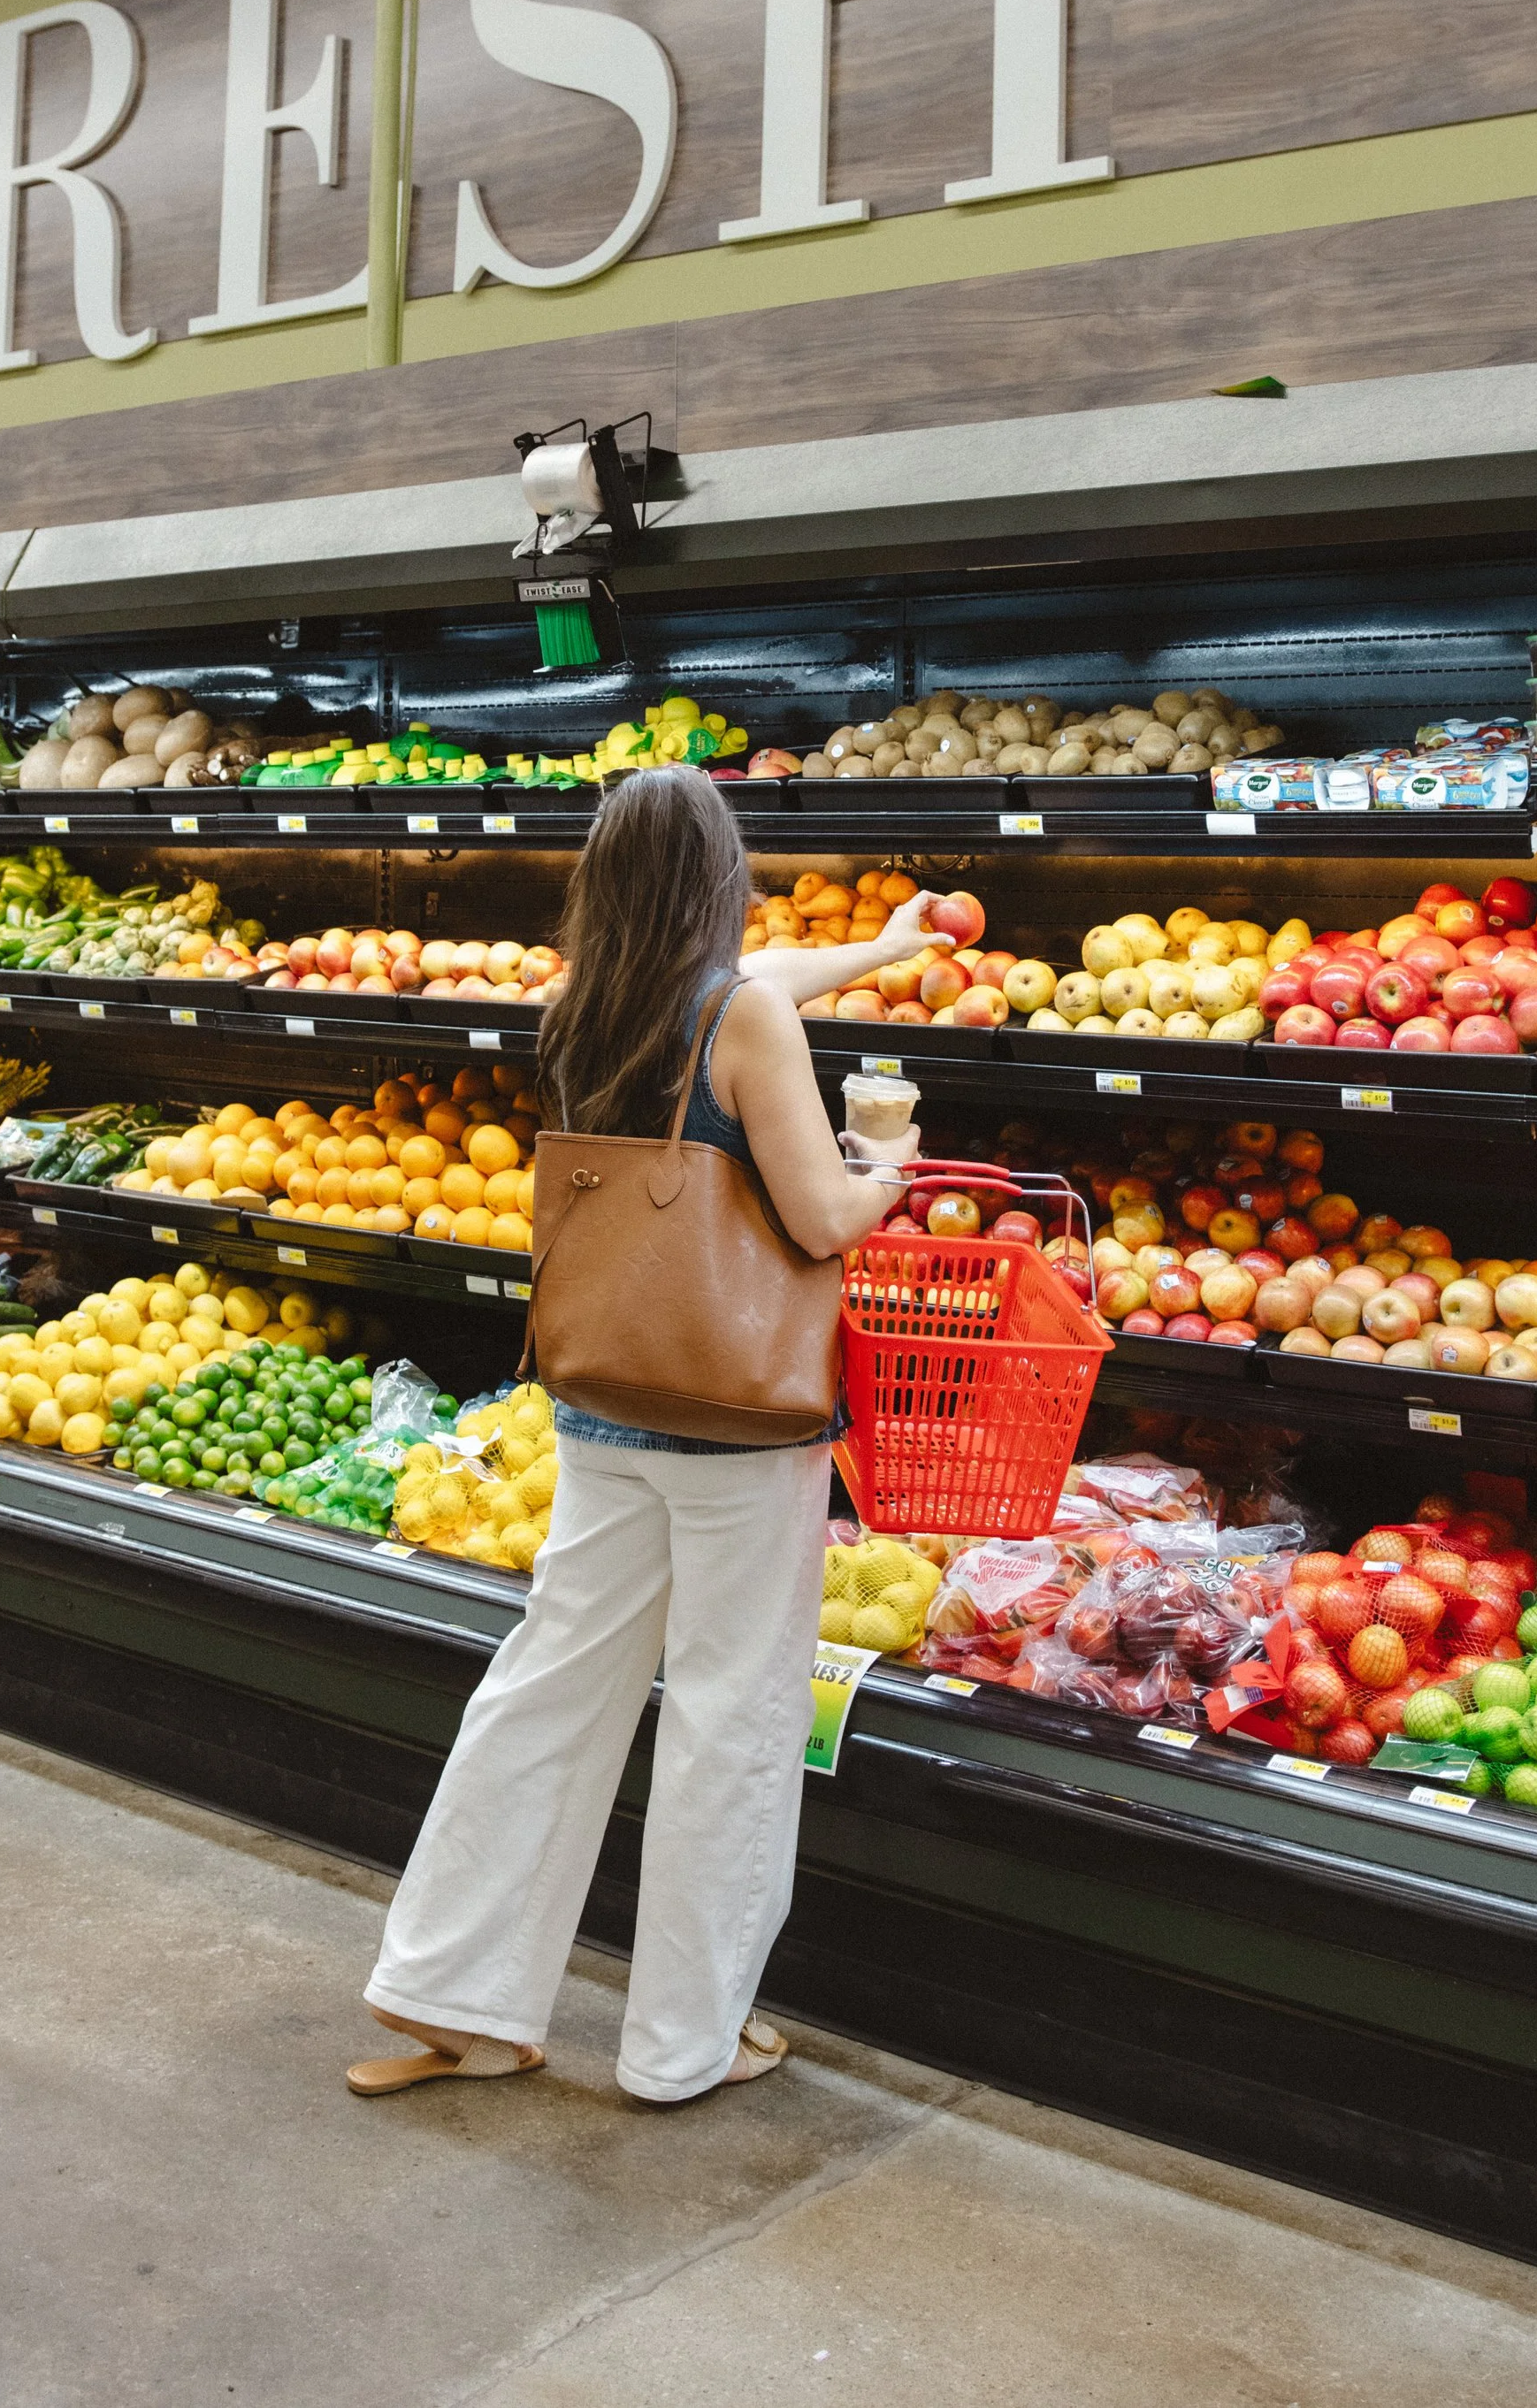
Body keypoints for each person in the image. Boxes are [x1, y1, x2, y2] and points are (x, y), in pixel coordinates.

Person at [347, 765, 935, 2105]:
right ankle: (684, 2042)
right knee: (731, 1714)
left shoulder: (583, 1008)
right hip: (737, 1425)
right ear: (721, 877)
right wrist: (883, 1167)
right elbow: (825, 1221)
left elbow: (762, 974)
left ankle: (451, 1990)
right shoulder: (748, 1026)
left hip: (606, 1406)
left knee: (550, 1686)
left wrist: (885, 951)